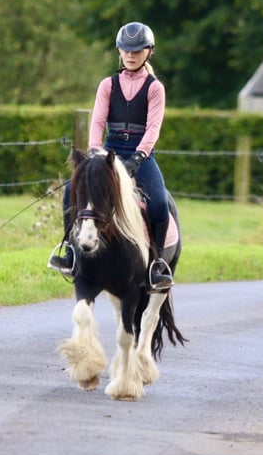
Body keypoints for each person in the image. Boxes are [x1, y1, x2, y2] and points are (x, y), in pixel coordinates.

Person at [48, 21, 174, 291]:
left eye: (137, 50)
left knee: (160, 205)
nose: (131, 55)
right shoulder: (108, 84)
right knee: (72, 190)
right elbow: (97, 121)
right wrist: (95, 151)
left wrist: (139, 158)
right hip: (109, 152)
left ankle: (157, 264)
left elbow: (153, 127)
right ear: (119, 51)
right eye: (126, 50)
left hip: (141, 156)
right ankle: (70, 251)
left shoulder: (155, 88)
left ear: (149, 52)